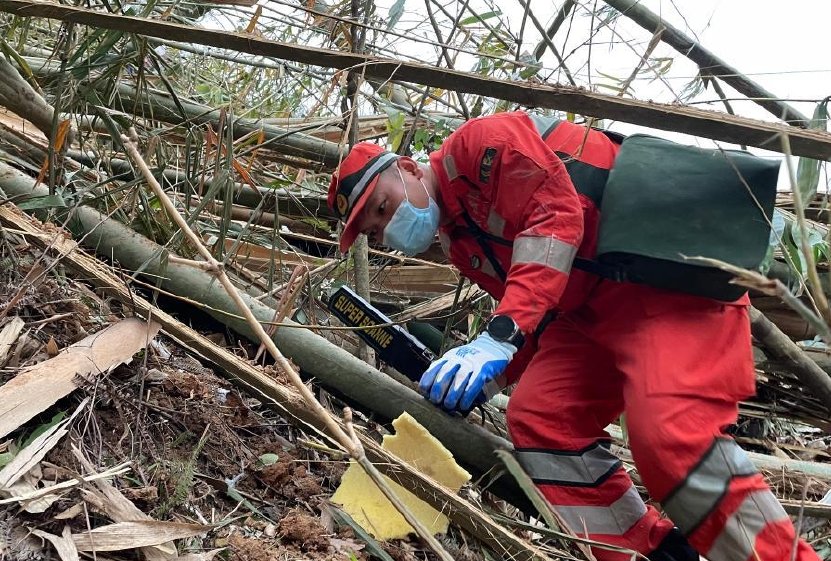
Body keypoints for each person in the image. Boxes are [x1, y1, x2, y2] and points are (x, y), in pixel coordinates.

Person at [327, 111, 820, 561]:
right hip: (589, 314)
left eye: (384, 206)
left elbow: (556, 216)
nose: (387, 227)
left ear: (409, 169)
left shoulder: (481, 147)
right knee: (542, 419)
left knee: (669, 435)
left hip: (662, 285)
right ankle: (649, 553)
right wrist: (488, 378)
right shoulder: (461, 241)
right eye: (374, 228)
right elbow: (537, 303)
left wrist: (498, 338)